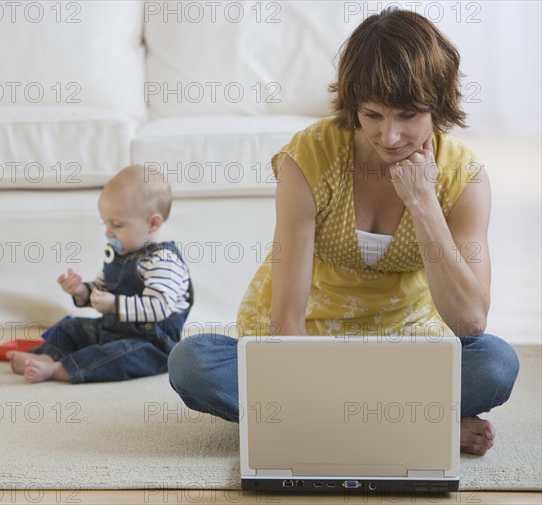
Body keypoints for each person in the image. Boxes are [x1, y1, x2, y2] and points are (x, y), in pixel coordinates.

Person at [167, 8, 519, 457]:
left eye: (407, 115)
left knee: (495, 362)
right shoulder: (308, 158)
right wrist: (312, 382)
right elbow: (286, 318)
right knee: (193, 362)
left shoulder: (464, 179)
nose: (389, 136)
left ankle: (316, 425)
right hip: (305, 348)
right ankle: (412, 427)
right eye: (372, 115)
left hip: (405, 348)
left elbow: (469, 322)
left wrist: (424, 204)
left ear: (438, 104)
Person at [8, 165, 193, 384]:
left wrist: (114, 304)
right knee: (71, 327)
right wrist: (81, 290)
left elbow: (159, 306)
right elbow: (101, 289)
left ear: (152, 223)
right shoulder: (120, 255)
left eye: (117, 225)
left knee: (117, 355)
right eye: (105, 223)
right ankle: (46, 355)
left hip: (150, 345)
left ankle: (58, 369)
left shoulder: (163, 261)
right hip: (111, 330)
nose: (107, 232)